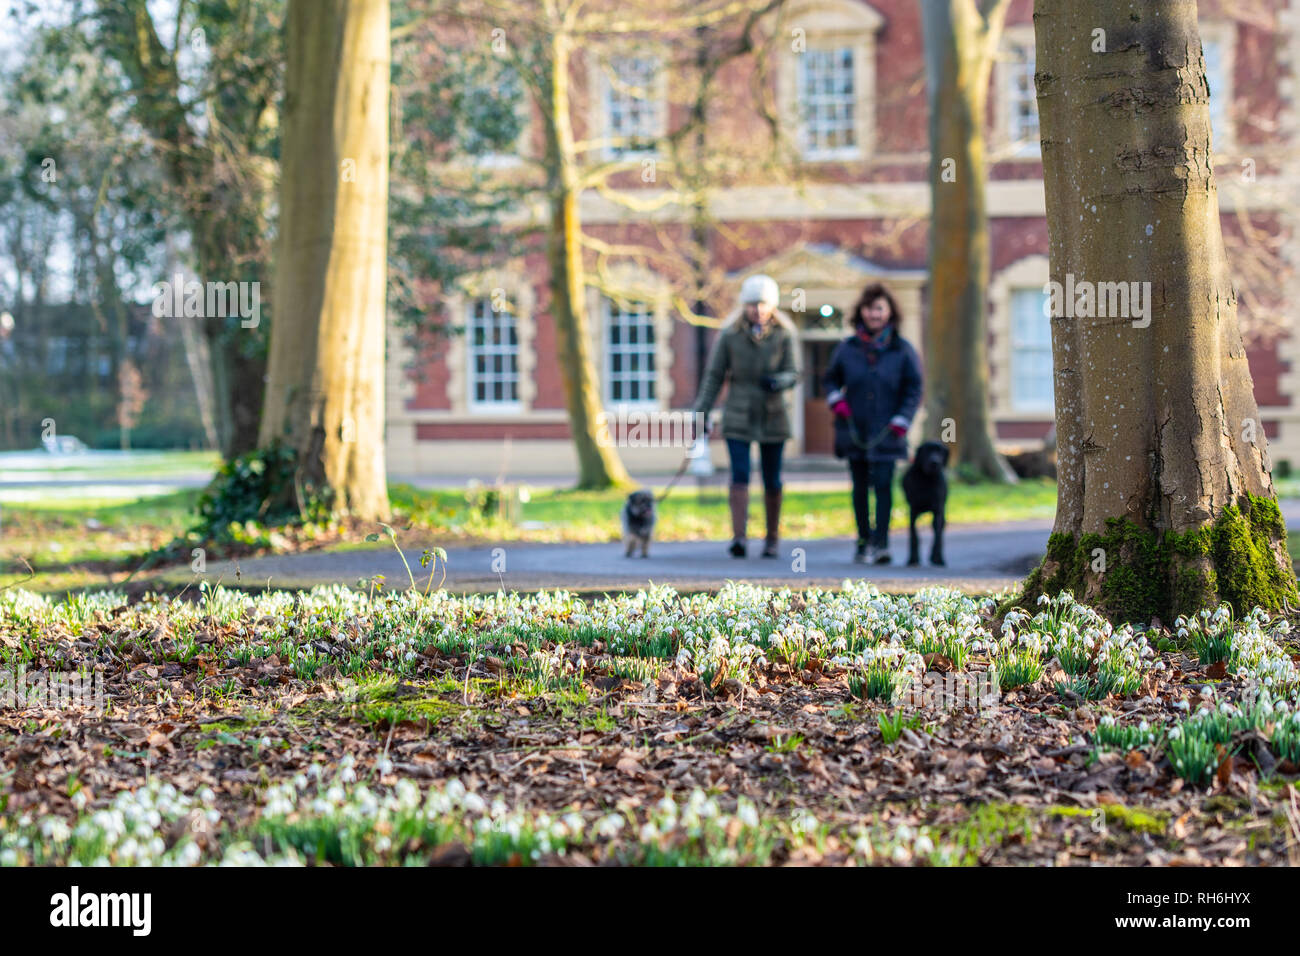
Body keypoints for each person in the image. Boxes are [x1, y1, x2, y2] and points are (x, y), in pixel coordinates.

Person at [692, 274, 799, 558]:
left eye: (763, 304)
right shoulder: (729, 337)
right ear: (744, 306)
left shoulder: (784, 336)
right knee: (740, 475)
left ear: (772, 306)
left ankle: (772, 539)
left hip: (773, 414)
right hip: (738, 414)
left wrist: (779, 381)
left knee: (772, 478)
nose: (758, 310)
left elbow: (794, 372)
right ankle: (739, 537)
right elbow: (714, 376)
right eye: (752, 304)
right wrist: (701, 410)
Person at [824, 282, 922, 564]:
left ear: (889, 312)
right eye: (869, 309)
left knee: (882, 485)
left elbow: (914, 388)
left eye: (879, 308)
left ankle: (882, 543)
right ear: (861, 312)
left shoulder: (902, 350)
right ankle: (863, 540)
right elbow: (830, 379)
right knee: (858, 486)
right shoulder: (847, 348)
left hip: (888, 431)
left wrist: (903, 419)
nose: (874, 314)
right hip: (854, 430)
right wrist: (835, 400)